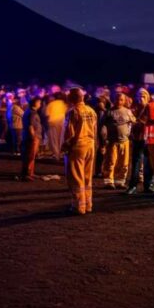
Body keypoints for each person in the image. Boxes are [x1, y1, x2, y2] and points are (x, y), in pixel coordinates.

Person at [62, 87, 97, 215]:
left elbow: (69, 132)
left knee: (76, 177)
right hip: (90, 145)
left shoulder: (72, 112)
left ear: (72, 98)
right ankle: (88, 204)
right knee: (87, 177)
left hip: (77, 146)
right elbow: (95, 130)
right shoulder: (91, 111)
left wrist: (65, 147)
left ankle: (78, 206)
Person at [100, 92, 135, 189]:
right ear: (114, 99)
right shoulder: (109, 112)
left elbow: (134, 121)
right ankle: (108, 182)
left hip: (125, 142)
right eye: (117, 99)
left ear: (124, 101)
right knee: (110, 162)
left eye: (121, 100)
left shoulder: (128, 111)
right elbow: (102, 125)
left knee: (124, 163)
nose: (119, 101)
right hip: (112, 142)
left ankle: (120, 182)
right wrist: (103, 140)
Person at [126, 88, 152, 195]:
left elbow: (144, 122)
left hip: (148, 139)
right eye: (139, 96)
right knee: (136, 163)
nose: (141, 98)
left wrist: (136, 122)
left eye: (143, 96)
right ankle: (133, 186)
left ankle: (148, 186)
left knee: (147, 163)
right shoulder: (133, 109)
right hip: (137, 139)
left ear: (148, 97)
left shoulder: (150, 108)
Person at [20, 97, 42, 181]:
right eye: (39, 102)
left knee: (30, 155)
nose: (40, 104)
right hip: (32, 137)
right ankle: (28, 174)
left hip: (30, 136)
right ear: (35, 103)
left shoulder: (29, 111)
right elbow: (30, 126)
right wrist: (33, 137)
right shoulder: (32, 113)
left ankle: (30, 172)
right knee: (30, 156)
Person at [45, 93, 67, 159]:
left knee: (54, 139)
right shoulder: (64, 104)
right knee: (61, 138)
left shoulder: (51, 104)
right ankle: (61, 153)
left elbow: (47, 115)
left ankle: (56, 154)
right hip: (62, 122)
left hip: (53, 122)